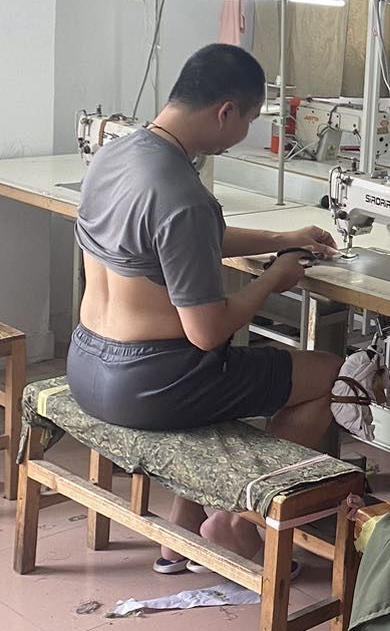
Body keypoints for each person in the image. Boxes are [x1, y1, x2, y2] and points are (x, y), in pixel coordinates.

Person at [68, 44, 343, 571]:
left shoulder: (114, 156)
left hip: (87, 364)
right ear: (226, 112)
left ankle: (181, 534)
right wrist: (275, 279)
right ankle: (240, 524)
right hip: (151, 384)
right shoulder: (182, 193)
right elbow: (207, 331)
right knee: (334, 375)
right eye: (249, 121)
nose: (244, 134)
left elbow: (186, 240)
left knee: (222, 374)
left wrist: (281, 238)